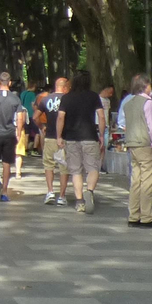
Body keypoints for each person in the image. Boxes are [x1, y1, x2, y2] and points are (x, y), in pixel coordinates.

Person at [118, 74, 152, 228]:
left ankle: (134, 215)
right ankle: (146, 216)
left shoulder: (128, 103)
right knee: (149, 182)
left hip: (133, 145)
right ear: (146, 85)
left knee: (136, 181)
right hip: (147, 146)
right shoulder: (148, 103)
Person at [56, 70, 104, 214]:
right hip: (90, 136)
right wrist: (101, 135)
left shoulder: (67, 98)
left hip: (71, 138)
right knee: (93, 168)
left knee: (76, 171)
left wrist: (59, 136)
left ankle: (79, 201)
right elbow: (101, 117)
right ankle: (89, 191)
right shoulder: (94, 97)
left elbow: (60, 118)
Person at [0, 71, 26, 203]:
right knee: (7, 162)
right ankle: (5, 191)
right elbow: (20, 118)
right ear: (10, 83)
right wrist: (18, 133)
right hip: (9, 134)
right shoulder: (15, 99)